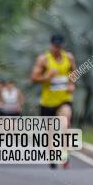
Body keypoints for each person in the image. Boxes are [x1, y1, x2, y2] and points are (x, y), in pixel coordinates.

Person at [31, 34, 76, 168]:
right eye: (55, 46)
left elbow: (74, 73)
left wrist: (71, 84)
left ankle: (65, 153)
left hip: (64, 99)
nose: (57, 48)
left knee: (65, 122)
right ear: (50, 45)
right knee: (49, 133)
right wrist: (47, 77)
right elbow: (33, 78)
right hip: (47, 102)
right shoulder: (44, 60)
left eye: (59, 46)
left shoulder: (69, 57)